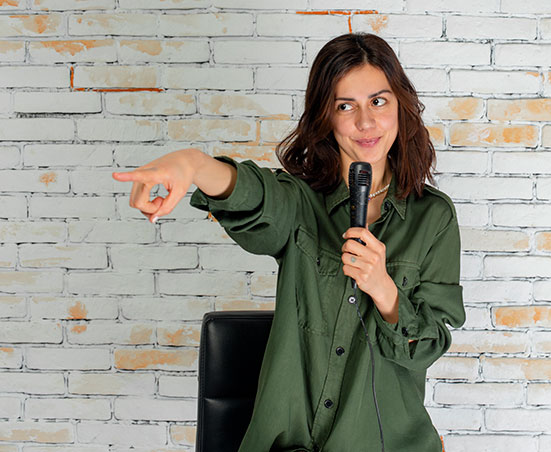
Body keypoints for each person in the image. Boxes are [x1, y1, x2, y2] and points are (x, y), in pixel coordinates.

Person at [113, 33, 465, 452]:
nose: (366, 123)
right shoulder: (301, 202)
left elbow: (426, 347)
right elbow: (256, 197)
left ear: (400, 106)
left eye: (378, 101)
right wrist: (193, 164)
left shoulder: (434, 218)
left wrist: (384, 289)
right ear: (326, 117)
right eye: (345, 106)